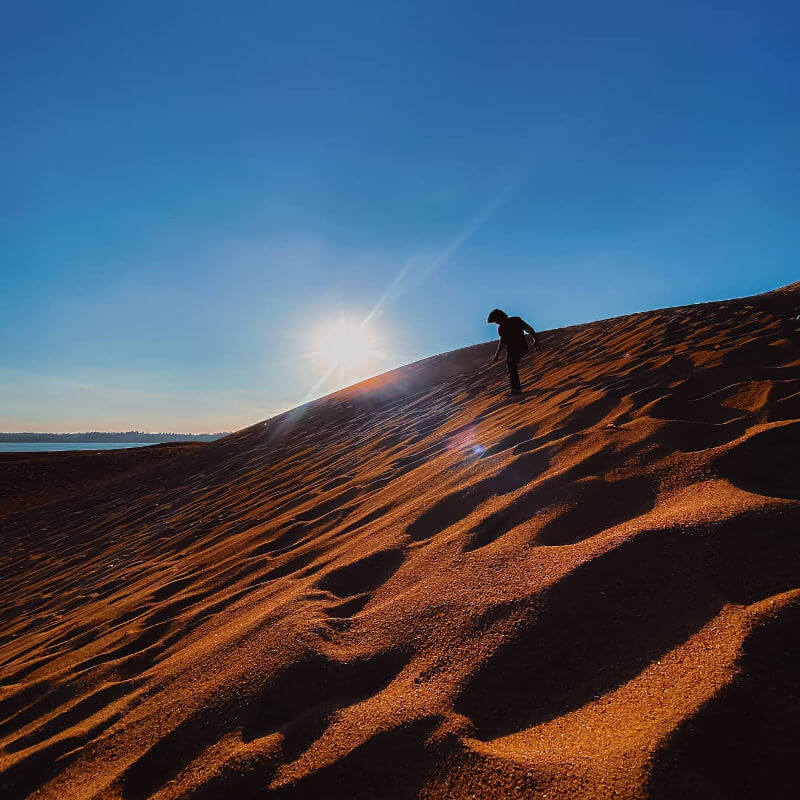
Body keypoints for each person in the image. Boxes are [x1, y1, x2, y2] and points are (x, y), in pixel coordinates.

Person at [487, 308, 540, 394]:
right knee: (510, 367)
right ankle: (514, 389)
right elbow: (502, 342)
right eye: (494, 321)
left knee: (512, 365)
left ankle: (515, 389)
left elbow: (529, 329)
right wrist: (497, 354)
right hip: (510, 350)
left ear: (500, 316)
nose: (496, 323)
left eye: (496, 320)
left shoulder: (515, 320)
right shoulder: (500, 328)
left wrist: (536, 341)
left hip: (521, 347)